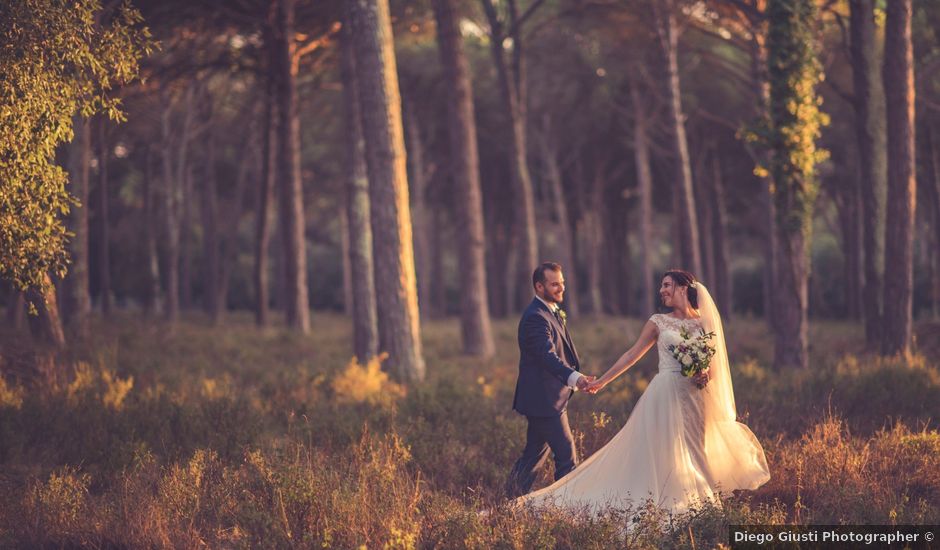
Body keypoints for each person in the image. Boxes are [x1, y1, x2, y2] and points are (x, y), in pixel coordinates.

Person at [513, 269, 770, 515]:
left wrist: (705, 374)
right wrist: (602, 381)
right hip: (665, 395)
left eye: (667, 285)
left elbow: (715, 363)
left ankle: (702, 504)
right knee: (663, 449)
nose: (662, 290)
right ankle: (660, 500)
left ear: (683, 288)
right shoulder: (658, 322)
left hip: (696, 397)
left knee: (696, 447)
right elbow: (631, 355)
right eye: (661, 286)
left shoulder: (703, 321)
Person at [506, 262, 595, 498]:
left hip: (547, 399)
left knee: (533, 455)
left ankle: (507, 503)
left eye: (562, 283)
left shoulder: (549, 311)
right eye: (555, 284)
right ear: (539, 286)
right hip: (544, 401)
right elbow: (547, 356)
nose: (561, 288)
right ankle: (569, 510)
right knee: (567, 459)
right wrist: (575, 377)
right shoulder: (536, 316)